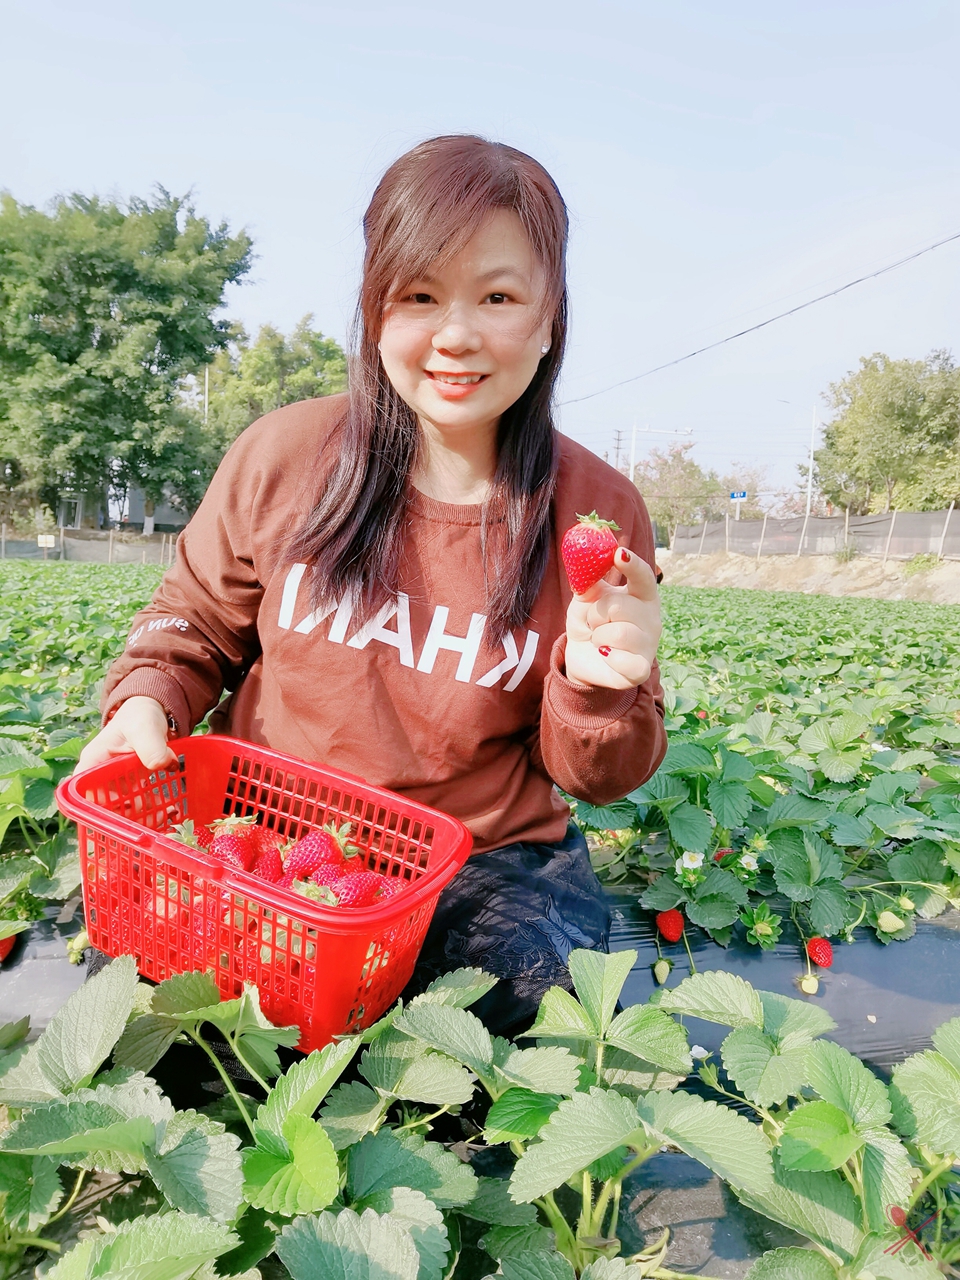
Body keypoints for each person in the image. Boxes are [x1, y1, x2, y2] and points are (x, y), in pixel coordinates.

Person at [78, 135, 667, 1036]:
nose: (456, 335)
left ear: (549, 319)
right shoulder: (286, 457)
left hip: (475, 859)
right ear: (375, 313)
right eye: (419, 296)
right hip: (268, 830)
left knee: (533, 993)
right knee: (146, 964)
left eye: (499, 297)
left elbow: (596, 777)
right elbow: (193, 620)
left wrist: (598, 690)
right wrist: (147, 699)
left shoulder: (595, 510)